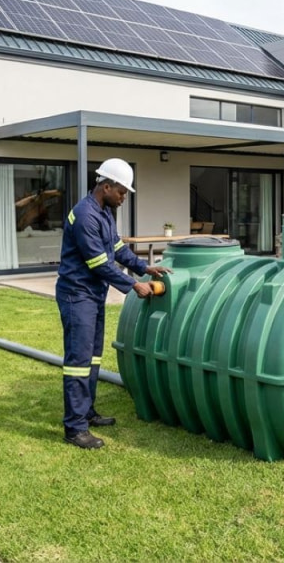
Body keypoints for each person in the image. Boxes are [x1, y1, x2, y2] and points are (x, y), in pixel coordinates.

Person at [56, 158, 170, 449]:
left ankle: (87, 412)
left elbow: (117, 249)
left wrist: (145, 268)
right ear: (106, 186)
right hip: (77, 295)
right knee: (79, 362)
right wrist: (133, 285)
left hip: (92, 296)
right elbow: (99, 263)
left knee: (93, 358)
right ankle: (75, 429)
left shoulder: (104, 212)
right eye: (121, 192)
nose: (123, 197)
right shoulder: (85, 216)